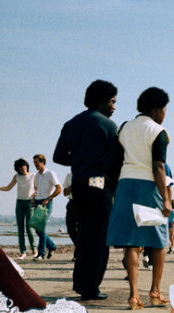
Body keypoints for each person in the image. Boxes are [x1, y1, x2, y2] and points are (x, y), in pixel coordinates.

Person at [106, 87, 171, 310]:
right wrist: (166, 199)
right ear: (156, 109)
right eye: (164, 109)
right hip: (148, 186)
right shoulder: (158, 131)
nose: (164, 113)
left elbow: (116, 160)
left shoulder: (124, 128)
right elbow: (158, 166)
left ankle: (134, 295)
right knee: (159, 240)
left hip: (126, 184)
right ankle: (155, 291)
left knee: (131, 242)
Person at [53, 79, 118, 300]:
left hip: (79, 184)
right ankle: (91, 287)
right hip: (99, 183)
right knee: (99, 237)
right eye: (112, 102)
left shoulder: (71, 124)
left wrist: (79, 159)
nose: (114, 107)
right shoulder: (109, 126)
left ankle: (80, 282)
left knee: (83, 236)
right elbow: (117, 161)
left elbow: (58, 156)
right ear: (102, 101)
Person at [0, 157, 35, 259]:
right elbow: (8, 188)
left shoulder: (33, 176)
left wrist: (35, 196)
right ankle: (23, 252)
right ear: (18, 169)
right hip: (19, 203)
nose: (23, 168)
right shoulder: (16, 177)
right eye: (21, 167)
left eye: (24, 166)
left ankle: (34, 249)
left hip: (30, 203)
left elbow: (37, 189)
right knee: (20, 229)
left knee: (29, 227)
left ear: (27, 166)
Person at [31, 153, 61, 260]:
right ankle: (52, 246)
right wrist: (34, 199)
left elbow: (59, 189)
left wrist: (48, 198)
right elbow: (37, 189)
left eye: (37, 162)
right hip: (37, 202)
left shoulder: (50, 173)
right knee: (38, 229)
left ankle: (41, 253)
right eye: (34, 162)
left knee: (41, 228)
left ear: (42, 162)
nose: (35, 165)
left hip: (46, 203)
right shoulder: (37, 175)